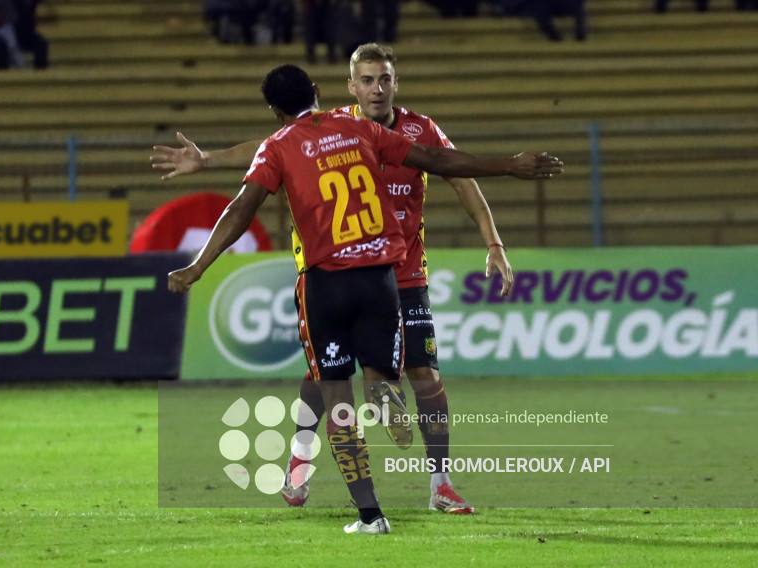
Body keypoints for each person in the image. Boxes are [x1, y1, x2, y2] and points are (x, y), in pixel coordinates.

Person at [151, 43, 559, 514]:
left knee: (420, 373)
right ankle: (304, 456)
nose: (377, 89)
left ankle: (439, 484)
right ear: (349, 87)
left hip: (403, 271)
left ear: (395, 83)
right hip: (344, 268)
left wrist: (495, 244)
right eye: (367, 80)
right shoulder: (343, 125)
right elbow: (274, 142)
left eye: (384, 79)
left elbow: (461, 180)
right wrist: (213, 158)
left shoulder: (416, 128)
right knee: (327, 378)